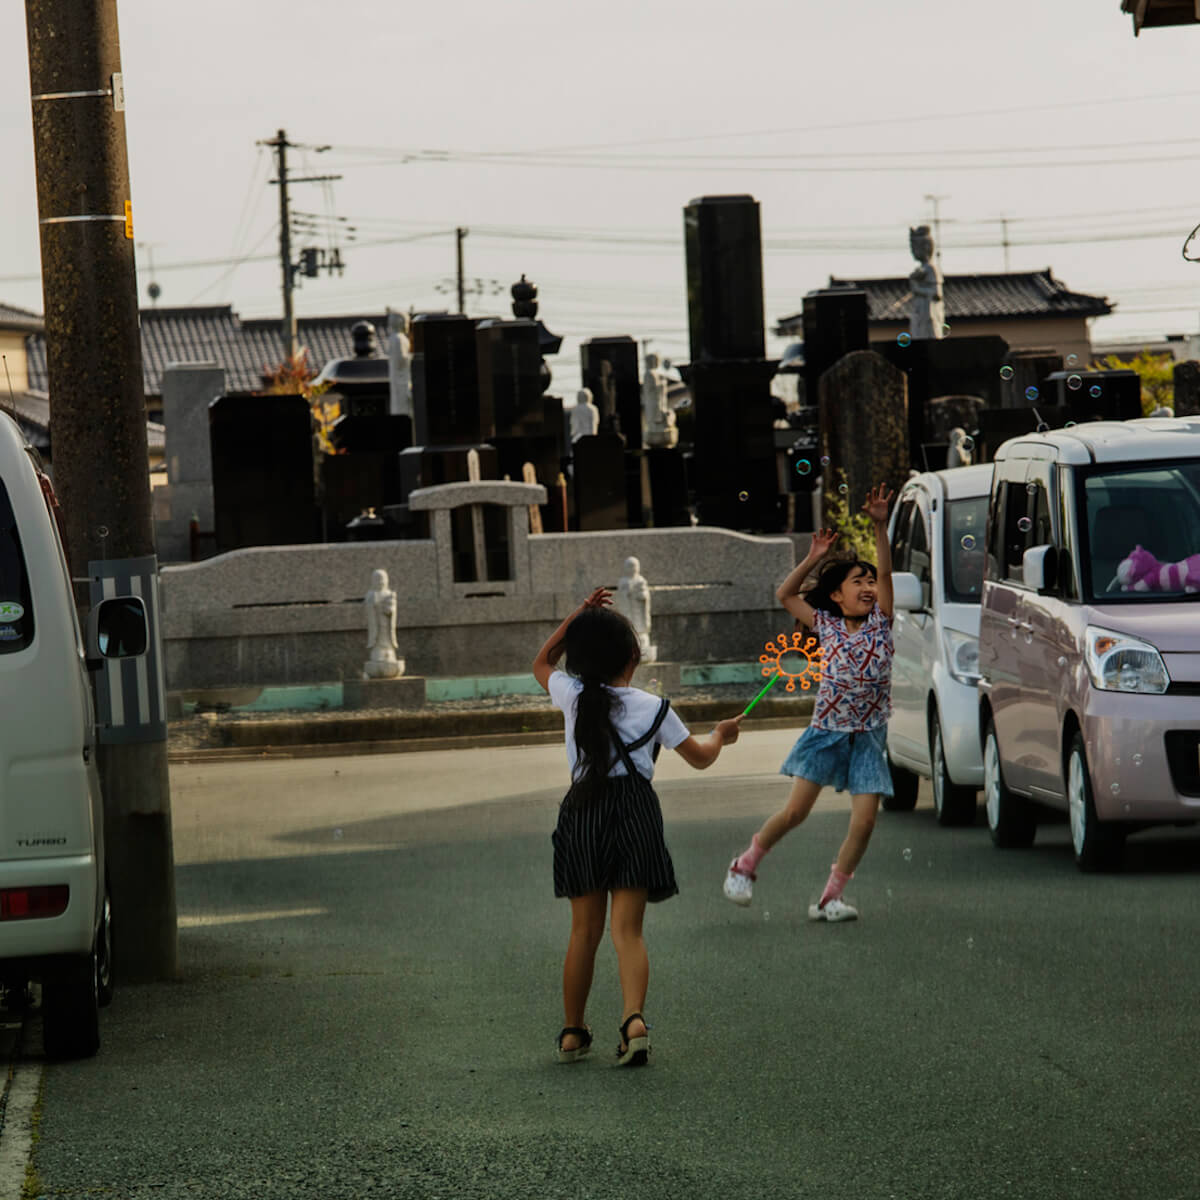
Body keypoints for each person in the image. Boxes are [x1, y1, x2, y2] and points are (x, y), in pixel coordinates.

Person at [533, 588, 743, 1066]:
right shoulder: (655, 708)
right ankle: (633, 1022)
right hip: (635, 811)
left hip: (583, 810)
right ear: (633, 657)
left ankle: (571, 1033)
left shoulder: (572, 694)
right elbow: (702, 759)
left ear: (580, 657)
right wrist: (720, 735)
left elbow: (541, 663)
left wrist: (578, 616)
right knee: (627, 931)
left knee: (583, 932)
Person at [723, 483, 896, 922]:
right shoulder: (825, 624)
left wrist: (881, 527)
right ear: (836, 595)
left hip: (869, 736)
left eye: (870, 581)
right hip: (826, 733)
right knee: (796, 812)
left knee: (866, 823)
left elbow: (888, 576)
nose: (869, 587)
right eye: (858, 582)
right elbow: (785, 595)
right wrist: (814, 557)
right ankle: (744, 865)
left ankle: (829, 899)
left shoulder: (882, 623)